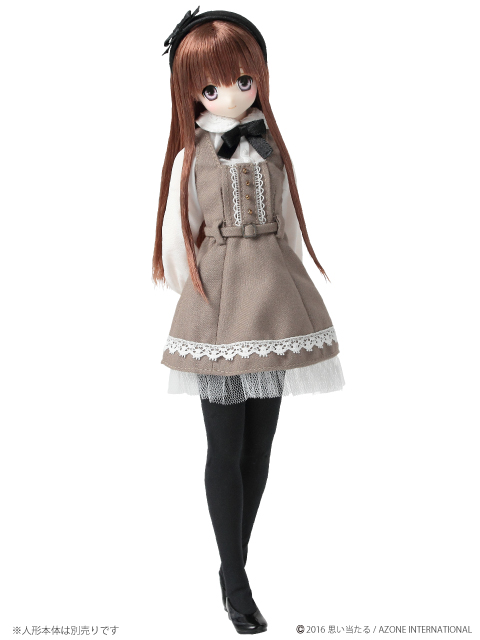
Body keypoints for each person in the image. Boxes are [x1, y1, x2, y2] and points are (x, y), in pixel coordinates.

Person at [152, 8, 345, 634]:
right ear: (191, 93)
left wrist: (290, 290)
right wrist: (199, 300)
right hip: (218, 306)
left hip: (274, 304)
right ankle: (235, 578)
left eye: (243, 80)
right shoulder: (191, 158)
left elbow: (286, 224)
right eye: (212, 88)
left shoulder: (271, 146)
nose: (231, 95)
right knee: (224, 445)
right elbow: (178, 239)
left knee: (260, 444)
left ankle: (232, 563)